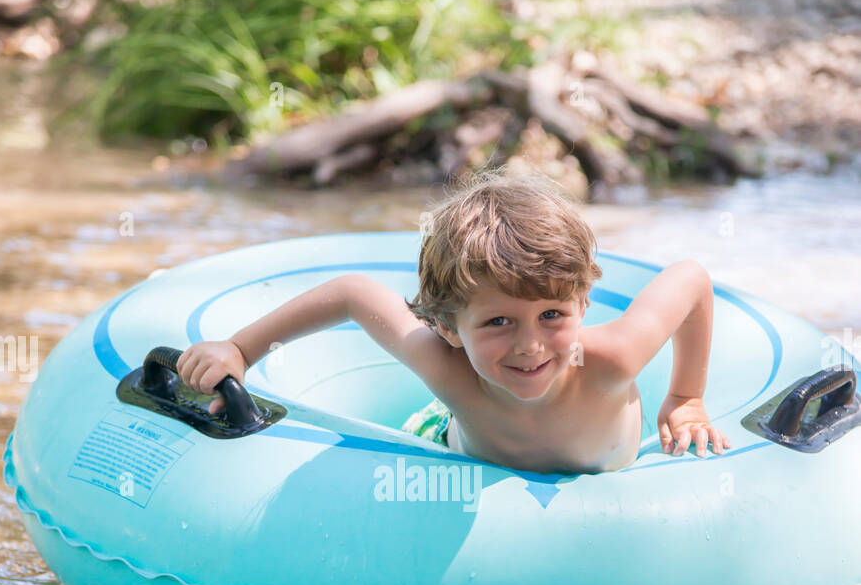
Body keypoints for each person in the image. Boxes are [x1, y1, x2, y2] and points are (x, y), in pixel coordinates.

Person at [177, 168, 730, 475]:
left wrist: (685, 397)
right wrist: (240, 351)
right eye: (497, 323)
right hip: (446, 441)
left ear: (584, 304)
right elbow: (352, 293)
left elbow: (690, 278)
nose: (530, 345)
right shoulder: (447, 369)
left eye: (552, 315)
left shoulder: (613, 359)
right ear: (447, 327)